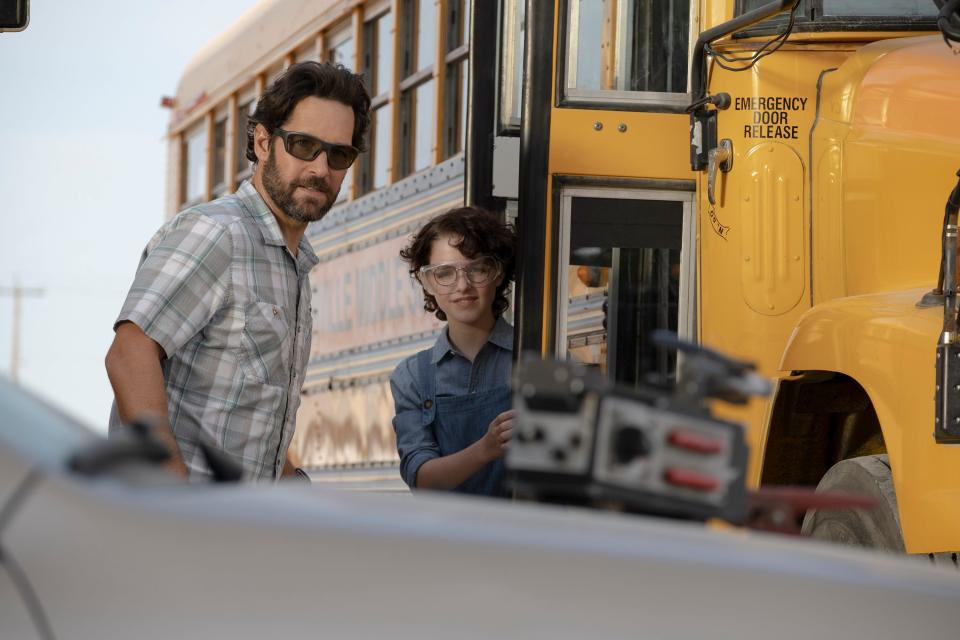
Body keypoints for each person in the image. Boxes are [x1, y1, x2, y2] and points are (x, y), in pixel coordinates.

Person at [105, 62, 371, 480]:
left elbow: (245, 414)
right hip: (181, 528)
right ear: (263, 142)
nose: (321, 169)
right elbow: (129, 354)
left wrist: (291, 486)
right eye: (303, 145)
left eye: (338, 154)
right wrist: (169, 490)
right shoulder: (217, 233)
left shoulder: (292, 263)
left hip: (239, 528)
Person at [390, 207, 517, 497]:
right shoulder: (412, 377)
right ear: (427, 283)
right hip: (447, 540)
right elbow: (420, 478)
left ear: (497, 274)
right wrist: (485, 449)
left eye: (477, 268)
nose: (463, 285)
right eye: (444, 273)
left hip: (523, 537)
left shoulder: (538, 357)